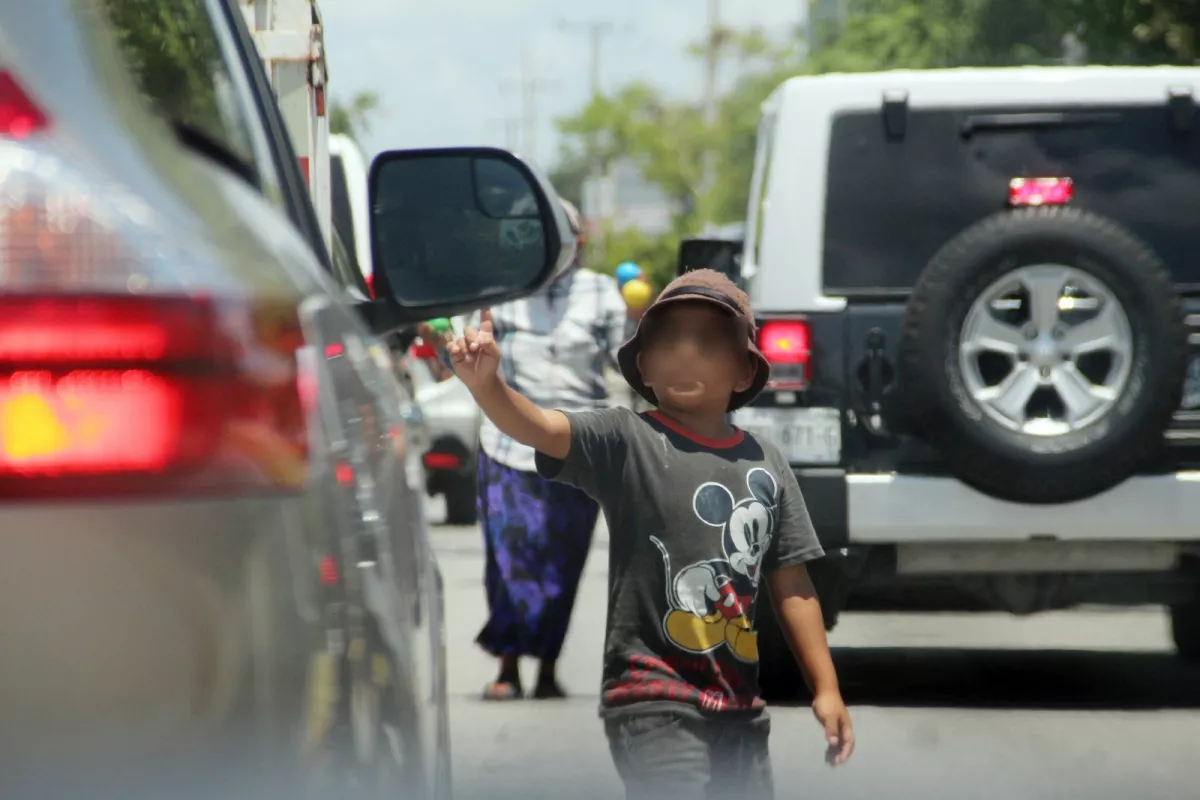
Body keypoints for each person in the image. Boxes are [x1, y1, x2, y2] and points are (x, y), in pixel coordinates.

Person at [421, 268, 854, 798]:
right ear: (643, 366)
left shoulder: (767, 462)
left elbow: (794, 585)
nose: (685, 353)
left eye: (707, 342)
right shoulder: (624, 440)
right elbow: (537, 426)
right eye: (668, 342)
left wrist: (826, 688)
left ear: (745, 370)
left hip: (741, 708)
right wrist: (487, 385)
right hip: (651, 699)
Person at [460, 198, 633, 701]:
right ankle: (509, 667)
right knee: (511, 557)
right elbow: (468, 357)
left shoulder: (602, 293)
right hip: (507, 444)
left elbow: (630, 362)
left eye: (564, 235)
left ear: (577, 242)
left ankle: (548, 669)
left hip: (578, 445)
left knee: (563, 563)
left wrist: (645, 319)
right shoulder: (500, 293)